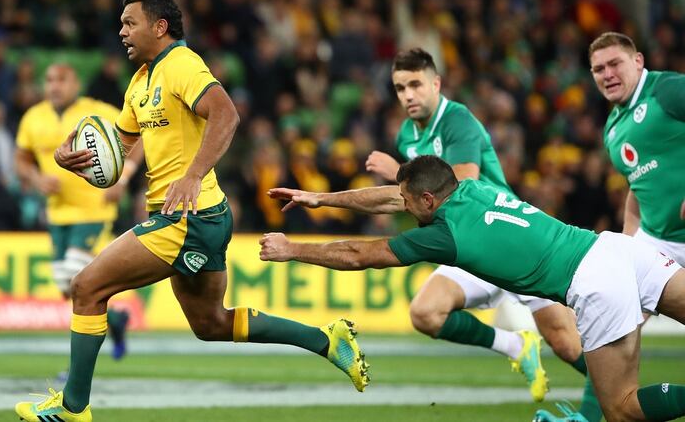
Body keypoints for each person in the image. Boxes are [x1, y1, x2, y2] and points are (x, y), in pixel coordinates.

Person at [15, 0, 368, 422]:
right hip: (200, 216)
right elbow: (120, 148)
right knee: (211, 325)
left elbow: (227, 114)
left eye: (130, 23)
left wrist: (194, 174)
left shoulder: (181, 64)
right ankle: (327, 340)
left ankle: (73, 408)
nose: (121, 31)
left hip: (188, 215)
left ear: (159, 26)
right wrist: (74, 163)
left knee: (87, 288)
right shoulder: (142, 80)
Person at [261, 155, 685, 422]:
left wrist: (292, 248)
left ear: (429, 201)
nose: (402, 209)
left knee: (621, 408)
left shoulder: (444, 235)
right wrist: (322, 199)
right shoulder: (472, 188)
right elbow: (390, 197)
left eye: (410, 204)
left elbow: (358, 255)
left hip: (593, 283)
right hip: (617, 249)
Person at [358, 48, 596, 414]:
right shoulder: (407, 133)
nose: (407, 95)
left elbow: (461, 186)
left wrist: (396, 171)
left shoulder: (457, 121)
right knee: (425, 313)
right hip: (466, 245)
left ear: (436, 84)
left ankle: (620, 399)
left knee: (566, 344)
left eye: (415, 85)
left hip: (510, 239)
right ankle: (515, 346)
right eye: (400, 87)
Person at [15, 63, 139, 365]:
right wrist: (35, 179)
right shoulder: (34, 117)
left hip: (93, 209)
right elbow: (21, 159)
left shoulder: (98, 112)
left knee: (77, 276)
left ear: (76, 83)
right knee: (66, 287)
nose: (54, 85)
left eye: (61, 80)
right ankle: (116, 321)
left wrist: (123, 178)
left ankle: (76, 368)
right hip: (57, 213)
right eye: (49, 80)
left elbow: (139, 139)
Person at [589, 32, 685, 265]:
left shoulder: (667, 89)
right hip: (658, 242)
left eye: (615, 63)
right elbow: (638, 183)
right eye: (599, 69)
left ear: (638, 61)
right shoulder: (612, 129)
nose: (608, 74)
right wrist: (629, 240)